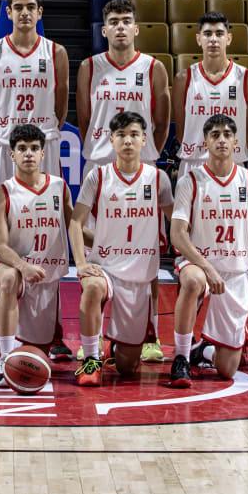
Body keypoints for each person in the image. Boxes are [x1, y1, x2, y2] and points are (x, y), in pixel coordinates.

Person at [0, 0, 70, 362]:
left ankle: (52, 329)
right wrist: (7, 138)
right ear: (8, 12)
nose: (25, 12)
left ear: (40, 12)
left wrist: (36, 140)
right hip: (3, 149)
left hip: (42, 147)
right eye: (18, 7)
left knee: (50, 240)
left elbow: (61, 109)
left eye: (31, 6)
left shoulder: (56, 53)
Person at [77, 0, 170, 363]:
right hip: (100, 163)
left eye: (126, 21)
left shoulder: (153, 67)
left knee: (147, 254)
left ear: (136, 28)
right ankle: (93, 340)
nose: (120, 26)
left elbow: (161, 122)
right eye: (113, 21)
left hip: (141, 165)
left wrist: (147, 152)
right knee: (98, 253)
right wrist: (103, 148)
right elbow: (85, 119)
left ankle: (149, 335)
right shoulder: (89, 67)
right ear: (104, 30)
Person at [68, 111, 174, 387]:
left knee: (127, 369)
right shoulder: (98, 176)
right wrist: (81, 263)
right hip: (104, 267)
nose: (128, 141)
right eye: (121, 135)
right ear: (111, 140)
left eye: (134, 135)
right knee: (92, 287)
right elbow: (75, 222)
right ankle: (91, 359)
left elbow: (178, 223)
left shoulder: (158, 178)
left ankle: (116, 346)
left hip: (138, 277)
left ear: (144, 140)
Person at [168, 113, 248, 387]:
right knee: (192, 280)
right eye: (215, 135)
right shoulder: (190, 181)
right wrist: (207, 268)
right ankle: (181, 357)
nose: (221, 139)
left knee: (227, 370)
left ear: (236, 143)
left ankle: (203, 351)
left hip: (235, 273)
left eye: (227, 134)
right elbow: (177, 234)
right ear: (205, 143)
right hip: (199, 264)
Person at [0, 124, 72, 384]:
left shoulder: (59, 187)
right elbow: (0, 247)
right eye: (22, 149)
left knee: (36, 357)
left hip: (45, 275)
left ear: (43, 153)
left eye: (34, 148)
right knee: (9, 278)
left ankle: (5, 341)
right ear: (11, 154)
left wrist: (104, 247)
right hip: (13, 268)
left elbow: (75, 229)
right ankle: (5, 356)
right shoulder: (1, 194)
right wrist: (23, 267)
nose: (28, 154)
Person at [172, 11, 248, 174]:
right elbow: (181, 131)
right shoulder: (184, 79)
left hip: (232, 163)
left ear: (229, 38)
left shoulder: (246, 78)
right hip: (194, 163)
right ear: (199, 39)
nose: (213, 39)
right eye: (207, 34)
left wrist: (227, 153)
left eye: (219, 34)